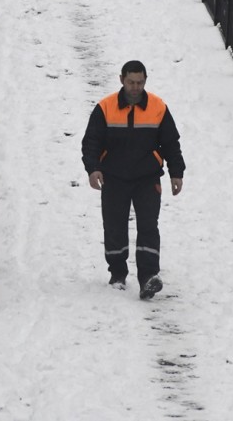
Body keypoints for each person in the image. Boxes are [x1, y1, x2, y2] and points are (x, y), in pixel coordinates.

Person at [81, 61, 185, 300]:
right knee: (114, 226)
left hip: (147, 178)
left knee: (149, 226)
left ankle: (148, 277)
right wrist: (93, 169)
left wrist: (176, 172)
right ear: (121, 80)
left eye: (139, 82)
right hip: (114, 177)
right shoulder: (105, 108)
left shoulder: (158, 108)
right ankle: (117, 273)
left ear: (145, 80)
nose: (135, 87)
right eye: (131, 82)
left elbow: (171, 143)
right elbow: (91, 142)